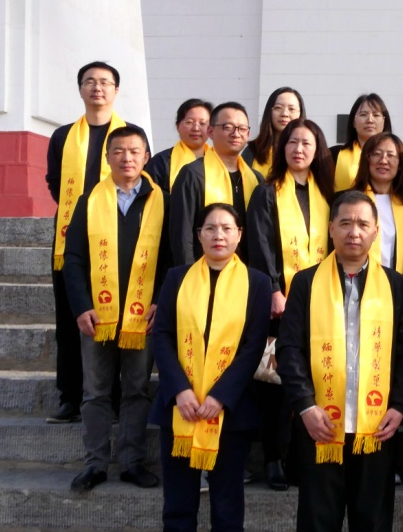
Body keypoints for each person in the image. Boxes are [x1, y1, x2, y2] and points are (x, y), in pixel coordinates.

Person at [277, 191, 403, 532]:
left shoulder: (396, 286)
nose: (354, 232)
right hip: (320, 423)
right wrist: (306, 406)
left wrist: (399, 406)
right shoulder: (306, 282)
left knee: (372, 521)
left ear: (375, 231)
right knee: (317, 521)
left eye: (362, 224)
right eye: (345, 223)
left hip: (377, 425)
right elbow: (289, 349)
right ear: (331, 229)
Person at [150, 203, 272, 532]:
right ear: (199, 235)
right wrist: (180, 390)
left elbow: (253, 347)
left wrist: (220, 396)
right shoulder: (177, 278)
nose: (219, 235)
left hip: (231, 408)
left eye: (227, 228)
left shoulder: (258, 283)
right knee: (177, 504)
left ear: (239, 235)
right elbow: (162, 335)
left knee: (227, 504)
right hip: (181, 407)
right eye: (211, 229)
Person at [62, 126, 169, 492]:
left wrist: (160, 301)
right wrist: (81, 307)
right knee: (95, 391)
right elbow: (74, 259)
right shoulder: (89, 201)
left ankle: (131, 462)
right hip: (97, 315)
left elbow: (171, 258)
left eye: (135, 151)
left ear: (146, 157)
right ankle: (94, 464)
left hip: (143, 314)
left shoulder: (162, 201)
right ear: (107, 158)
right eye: (119, 151)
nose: (127, 158)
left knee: (137, 389)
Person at [44, 61, 144, 424]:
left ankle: (112, 397)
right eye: (90, 82)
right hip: (72, 239)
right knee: (70, 319)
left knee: (114, 316)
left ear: (116, 90)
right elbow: (55, 183)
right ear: (80, 89)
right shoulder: (63, 137)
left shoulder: (130, 135)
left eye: (104, 82)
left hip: (119, 237)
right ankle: (70, 397)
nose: (97, 88)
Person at [244, 118, 335, 490]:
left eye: (307, 143)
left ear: (317, 151)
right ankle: (272, 457)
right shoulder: (267, 192)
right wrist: (274, 290)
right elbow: (260, 243)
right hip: (279, 303)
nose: (299, 149)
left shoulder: (327, 194)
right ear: (282, 148)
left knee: (312, 377)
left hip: (319, 301)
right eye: (292, 142)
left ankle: (300, 455)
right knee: (276, 381)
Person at [169, 102, 264, 266]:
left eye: (242, 129)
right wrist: (188, 273)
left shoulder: (256, 179)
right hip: (202, 271)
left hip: (246, 272)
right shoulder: (193, 175)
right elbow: (181, 234)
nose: (236, 134)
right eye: (228, 127)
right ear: (210, 131)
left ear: (248, 134)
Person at [352, 132, 403, 274]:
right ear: (367, 160)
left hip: (395, 283)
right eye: (376, 154)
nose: (383, 160)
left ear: (400, 164)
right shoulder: (347, 202)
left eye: (391, 156)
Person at [146, 98, 213, 193]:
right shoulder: (161, 162)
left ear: (210, 129)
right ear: (178, 126)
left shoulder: (219, 160)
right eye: (189, 122)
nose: (196, 128)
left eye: (202, 123)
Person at [332, 94, 391, 192]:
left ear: (384, 121)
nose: (370, 120)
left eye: (376, 115)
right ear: (353, 122)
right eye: (363, 115)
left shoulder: (394, 156)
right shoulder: (333, 155)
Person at [243, 87, 305, 176]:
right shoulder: (253, 151)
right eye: (278, 108)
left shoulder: (308, 152)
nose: (284, 114)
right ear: (269, 112)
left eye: (291, 109)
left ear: (300, 113)